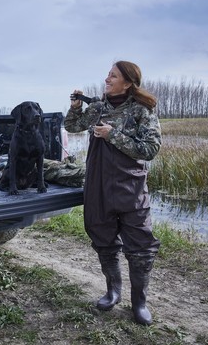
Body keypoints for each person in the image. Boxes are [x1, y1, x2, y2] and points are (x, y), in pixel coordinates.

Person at [64, 61, 161, 325]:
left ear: (128, 82)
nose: (107, 79)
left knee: (140, 245)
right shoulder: (96, 107)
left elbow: (151, 149)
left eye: (113, 75)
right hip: (98, 185)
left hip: (130, 187)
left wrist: (112, 134)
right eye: (107, 75)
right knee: (103, 238)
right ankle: (113, 291)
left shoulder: (143, 110)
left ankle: (139, 303)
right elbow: (72, 128)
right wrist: (75, 108)